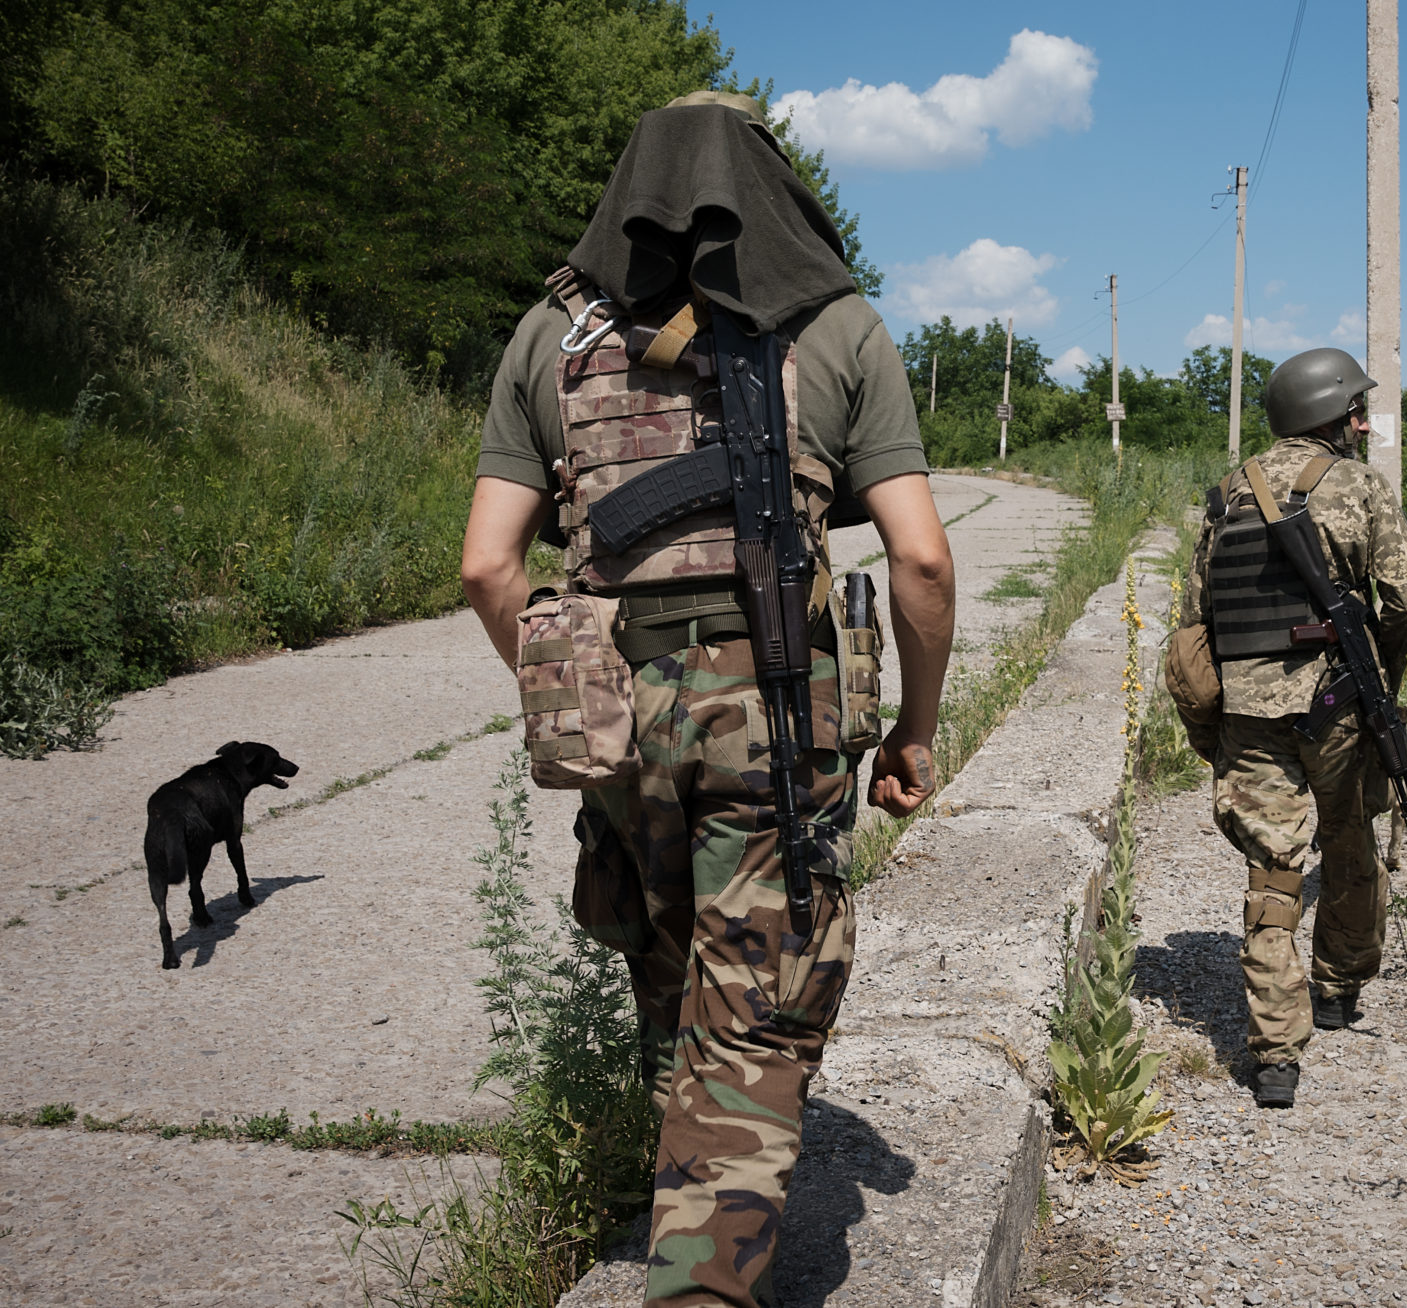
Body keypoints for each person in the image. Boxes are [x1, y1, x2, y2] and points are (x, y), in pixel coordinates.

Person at [459, 91, 954, 1307]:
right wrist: (917, 726)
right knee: (756, 1004)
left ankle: (688, 1184)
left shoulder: (550, 337)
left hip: (623, 711)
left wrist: (575, 676)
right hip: (775, 706)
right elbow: (924, 560)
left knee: (666, 955)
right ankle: (702, 1278)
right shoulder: (836, 325)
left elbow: (486, 564)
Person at [1181, 347, 1407, 1109]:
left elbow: (1195, 624)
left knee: (1273, 871)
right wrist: (1379, 670)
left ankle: (1276, 1054)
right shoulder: (1358, 486)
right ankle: (1337, 988)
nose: (1362, 422)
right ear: (1333, 418)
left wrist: (1208, 723)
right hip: (1341, 706)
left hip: (1250, 717)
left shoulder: (1227, 495)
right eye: (1356, 410)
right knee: (1349, 840)